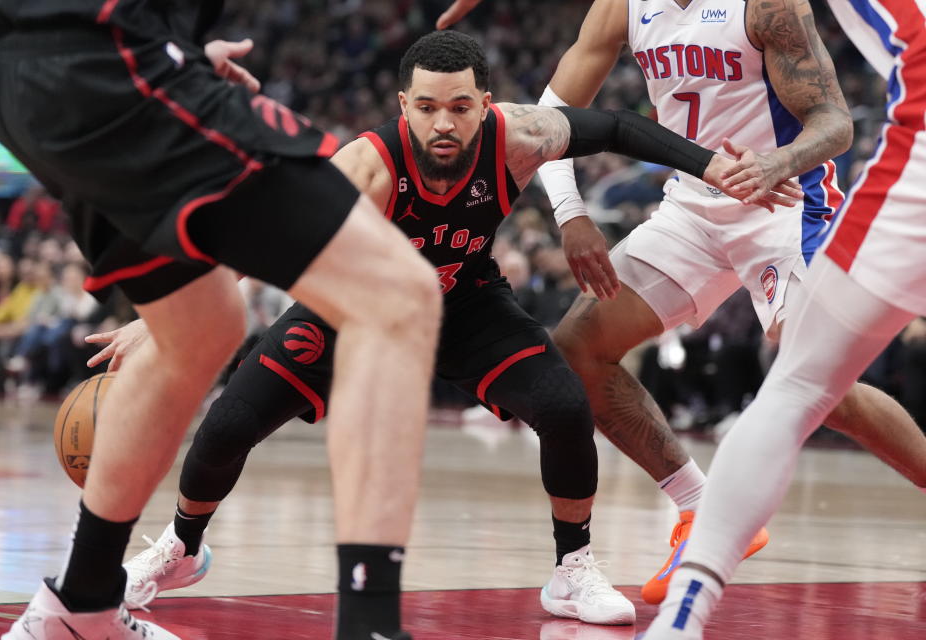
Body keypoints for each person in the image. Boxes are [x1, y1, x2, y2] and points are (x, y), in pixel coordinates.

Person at [88, 30, 796, 628]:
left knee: (562, 404)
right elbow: (259, 240)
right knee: (227, 425)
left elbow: (613, 125)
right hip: (354, 309)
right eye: (427, 108)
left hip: (462, 300)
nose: (444, 124)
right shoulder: (364, 166)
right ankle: (182, 548)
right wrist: (157, 328)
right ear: (405, 106)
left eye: (460, 106)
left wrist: (712, 166)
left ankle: (572, 569)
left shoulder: (518, 136)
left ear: (484, 104)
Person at [0, 1, 447, 639]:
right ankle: (370, 627)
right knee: (398, 295)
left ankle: (80, 609)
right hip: (109, 65)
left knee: (201, 325)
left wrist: (175, 48)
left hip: (35, 82)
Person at [440, 0, 926, 607]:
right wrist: (572, 216)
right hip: (692, 205)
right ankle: (698, 508)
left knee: (824, 386)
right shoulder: (622, 6)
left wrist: (782, 159)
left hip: (782, 203)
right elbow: (548, 115)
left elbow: (834, 122)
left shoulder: (767, 5)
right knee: (577, 351)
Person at [638, 0, 926, 635]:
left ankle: (682, 616)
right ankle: (681, 583)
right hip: (708, 201)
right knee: (795, 378)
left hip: (868, 176)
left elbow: (833, 121)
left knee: (797, 385)